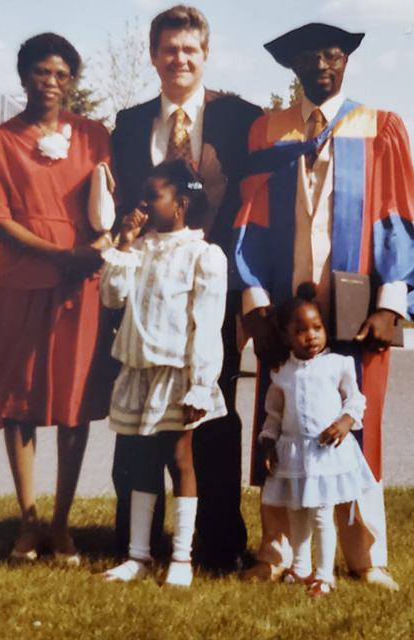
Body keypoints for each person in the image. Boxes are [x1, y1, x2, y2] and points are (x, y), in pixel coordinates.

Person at [235, 22, 414, 590]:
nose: (322, 64)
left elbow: (400, 217)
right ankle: (276, 553)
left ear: (346, 62)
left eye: (333, 54)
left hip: (358, 310)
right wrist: (256, 307)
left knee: (359, 432)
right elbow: (249, 221)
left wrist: (391, 301)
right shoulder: (267, 131)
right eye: (310, 56)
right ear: (291, 65)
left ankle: (367, 557)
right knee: (281, 424)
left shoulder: (380, 128)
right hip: (285, 317)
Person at [0, 33, 114, 564]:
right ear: (23, 77)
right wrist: (60, 256)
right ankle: (28, 520)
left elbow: (110, 203)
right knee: (19, 403)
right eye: (42, 72)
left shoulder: (92, 136)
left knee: (72, 405)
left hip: (78, 287)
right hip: (22, 282)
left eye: (62, 75)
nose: (52, 83)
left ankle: (61, 526)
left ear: (72, 82)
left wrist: (98, 248)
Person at [108, 5, 263, 574]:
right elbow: (122, 205)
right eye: (169, 49)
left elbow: (256, 207)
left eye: (190, 50)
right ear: (153, 55)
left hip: (213, 292)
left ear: (205, 55)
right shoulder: (128, 124)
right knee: (139, 425)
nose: (180, 59)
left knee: (212, 419)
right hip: (147, 299)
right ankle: (134, 543)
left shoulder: (241, 119)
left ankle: (219, 544)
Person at [99, 160, 227, 587]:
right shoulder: (137, 249)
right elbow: (113, 299)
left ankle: (181, 559)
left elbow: (208, 324)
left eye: (154, 196)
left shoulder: (202, 254)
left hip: (178, 376)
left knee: (180, 460)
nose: (144, 203)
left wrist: (202, 386)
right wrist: (122, 243)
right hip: (139, 372)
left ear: (181, 204)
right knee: (139, 464)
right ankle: (138, 555)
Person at [258, 283, 378, 598]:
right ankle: (300, 568)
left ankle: (325, 576)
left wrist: (343, 423)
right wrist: (269, 444)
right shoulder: (282, 373)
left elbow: (356, 400)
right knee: (298, 511)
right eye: (301, 330)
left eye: (317, 327)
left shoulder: (338, 364)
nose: (311, 335)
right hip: (294, 454)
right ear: (285, 337)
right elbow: (273, 414)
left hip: (326, 455)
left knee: (322, 514)